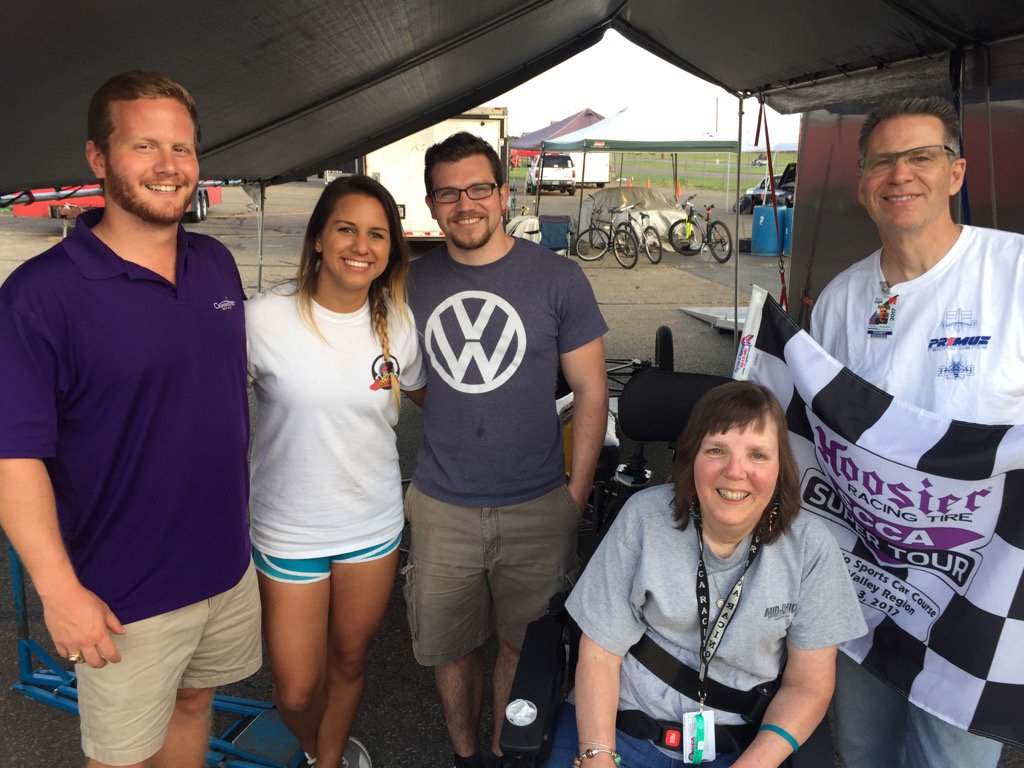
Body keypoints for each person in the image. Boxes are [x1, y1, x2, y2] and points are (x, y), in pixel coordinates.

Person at [0, 71, 259, 768]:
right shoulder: (39, 296)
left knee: (195, 703)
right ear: (98, 157)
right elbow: (13, 458)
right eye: (144, 146)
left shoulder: (215, 264)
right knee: (122, 757)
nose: (169, 166)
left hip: (223, 565)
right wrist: (59, 591)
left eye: (182, 147)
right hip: (122, 589)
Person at [810, 97, 1024, 767]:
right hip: (869, 588)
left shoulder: (1014, 272)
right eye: (882, 162)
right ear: (861, 184)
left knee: (950, 760)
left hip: (977, 596)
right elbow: (818, 440)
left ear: (955, 173)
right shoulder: (841, 300)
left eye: (921, 157)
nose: (900, 175)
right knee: (861, 750)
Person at [404, 132, 609, 767]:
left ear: (502, 193)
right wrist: (462, 409)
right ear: (432, 205)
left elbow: (592, 391)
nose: (464, 204)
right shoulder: (410, 282)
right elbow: (411, 379)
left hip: (537, 503)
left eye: (478, 188)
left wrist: (575, 495)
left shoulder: (557, 277)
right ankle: (468, 758)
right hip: (442, 505)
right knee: (452, 650)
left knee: (525, 647)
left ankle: (504, 755)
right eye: (448, 193)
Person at [541, 381, 867, 768]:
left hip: (737, 749)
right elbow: (599, 654)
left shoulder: (810, 549)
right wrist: (598, 755)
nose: (735, 471)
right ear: (691, 458)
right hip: (619, 728)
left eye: (757, 455)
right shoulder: (644, 519)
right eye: (716, 450)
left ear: (780, 468)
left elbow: (808, 686)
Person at [245, 175, 425, 768]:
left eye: (378, 234)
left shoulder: (398, 322)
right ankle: (316, 744)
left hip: (371, 525)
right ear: (319, 238)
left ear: (391, 249)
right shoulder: (262, 319)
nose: (361, 246)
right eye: (346, 229)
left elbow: (433, 397)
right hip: (288, 529)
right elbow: (205, 406)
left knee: (349, 659)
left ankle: (329, 761)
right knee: (296, 688)